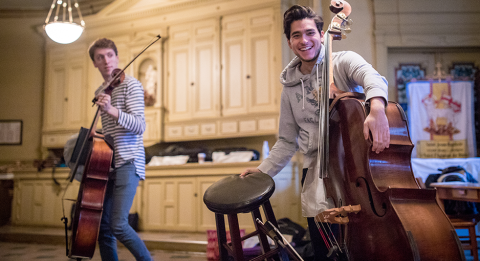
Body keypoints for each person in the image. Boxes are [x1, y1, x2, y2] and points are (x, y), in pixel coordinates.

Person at [240, 5, 390, 261]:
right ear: (289, 41)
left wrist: (377, 108)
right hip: (315, 175)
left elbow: (372, 77)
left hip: (355, 171)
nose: (304, 40)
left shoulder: (342, 62)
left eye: (310, 32)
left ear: (322, 34)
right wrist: (264, 169)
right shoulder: (289, 88)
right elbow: (287, 140)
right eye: (296, 35)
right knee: (325, 252)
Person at [89, 38, 152, 261]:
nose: (106, 60)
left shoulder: (131, 85)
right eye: (100, 57)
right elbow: (110, 133)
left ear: (116, 57)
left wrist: (111, 109)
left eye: (109, 55)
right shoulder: (100, 90)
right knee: (103, 228)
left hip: (129, 161)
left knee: (118, 225)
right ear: (95, 63)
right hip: (108, 164)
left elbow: (139, 126)